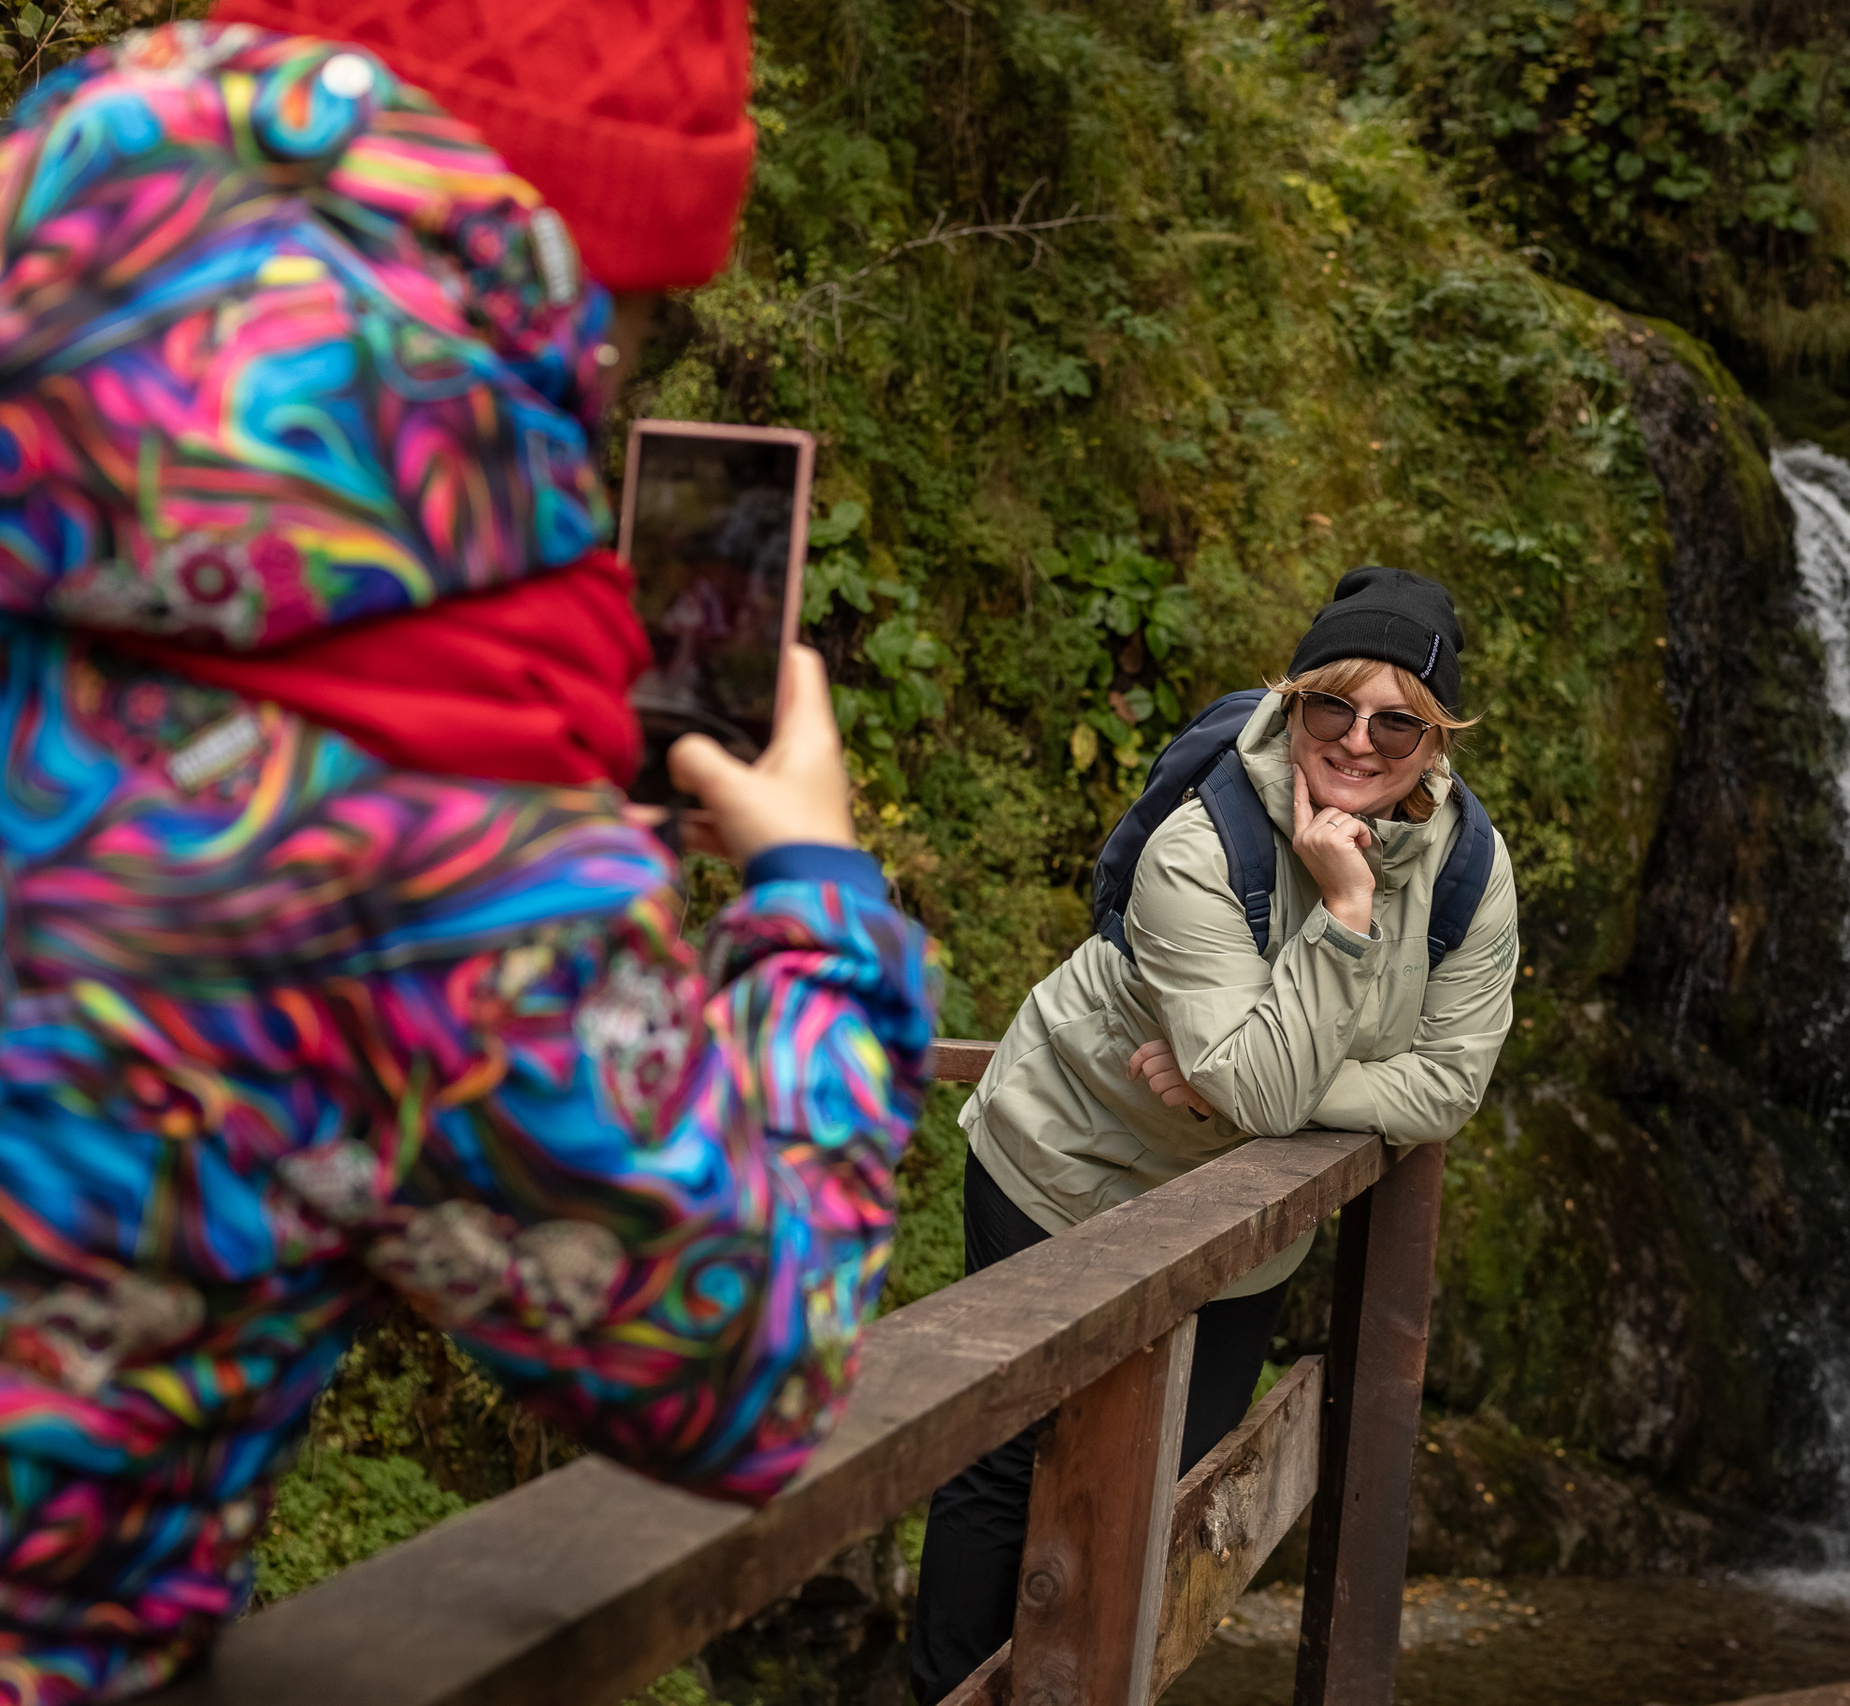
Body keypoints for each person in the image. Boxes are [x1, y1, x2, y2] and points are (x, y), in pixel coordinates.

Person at [0, 7, 936, 1701]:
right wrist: (815, 901)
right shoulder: (423, 806)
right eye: (629, 325)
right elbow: (741, 1355)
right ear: (547, 295)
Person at [909, 567, 1520, 1703]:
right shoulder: (1201, 843)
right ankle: (950, 1689)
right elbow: (1258, 1081)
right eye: (1332, 704)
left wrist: (1247, 1079)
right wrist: (1341, 913)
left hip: (1235, 1218)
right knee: (1006, 1466)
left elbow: (1442, 1086)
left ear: (1437, 743)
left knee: (1173, 1483)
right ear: (1294, 702)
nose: (1357, 738)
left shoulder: (1467, 868)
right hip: (1064, 1157)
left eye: (1398, 718)